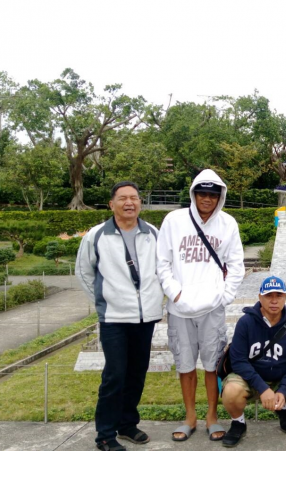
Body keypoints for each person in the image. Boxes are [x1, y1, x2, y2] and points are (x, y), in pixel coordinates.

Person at [157, 170, 245, 442]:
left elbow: (237, 264)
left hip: (212, 308)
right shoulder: (174, 220)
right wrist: (175, 294)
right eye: (202, 193)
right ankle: (189, 416)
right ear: (193, 193)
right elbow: (163, 263)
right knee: (184, 365)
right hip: (180, 308)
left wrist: (224, 296)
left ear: (220, 196)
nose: (207, 199)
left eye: (213, 194)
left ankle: (211, 416)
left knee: (211, 365)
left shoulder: (227, 223)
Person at [76, 181, 165, 452]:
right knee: (114, 374)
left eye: (135, 198)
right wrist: (105, 301)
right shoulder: (97, 235)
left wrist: (153, 299)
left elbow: (163, 270)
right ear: (111, 204)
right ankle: (105, 434)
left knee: (137, 373)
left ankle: (127, 424)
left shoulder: (152, 233)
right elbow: (84, 273)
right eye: (123, 198)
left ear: (140, 203)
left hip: (145, 318)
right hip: (114, 318)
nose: (130, 203)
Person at [221, 276, 286, 448]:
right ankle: (238, 423)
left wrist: (282, 389)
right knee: (230, 391)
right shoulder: (246, 323)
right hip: (250, 378)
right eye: (268, 295)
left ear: (285, 297)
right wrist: (263, 388)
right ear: (260, 297)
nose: (274, 300)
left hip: (281, 378)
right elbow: (238, 361)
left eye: (279, 295)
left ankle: (283, 408)